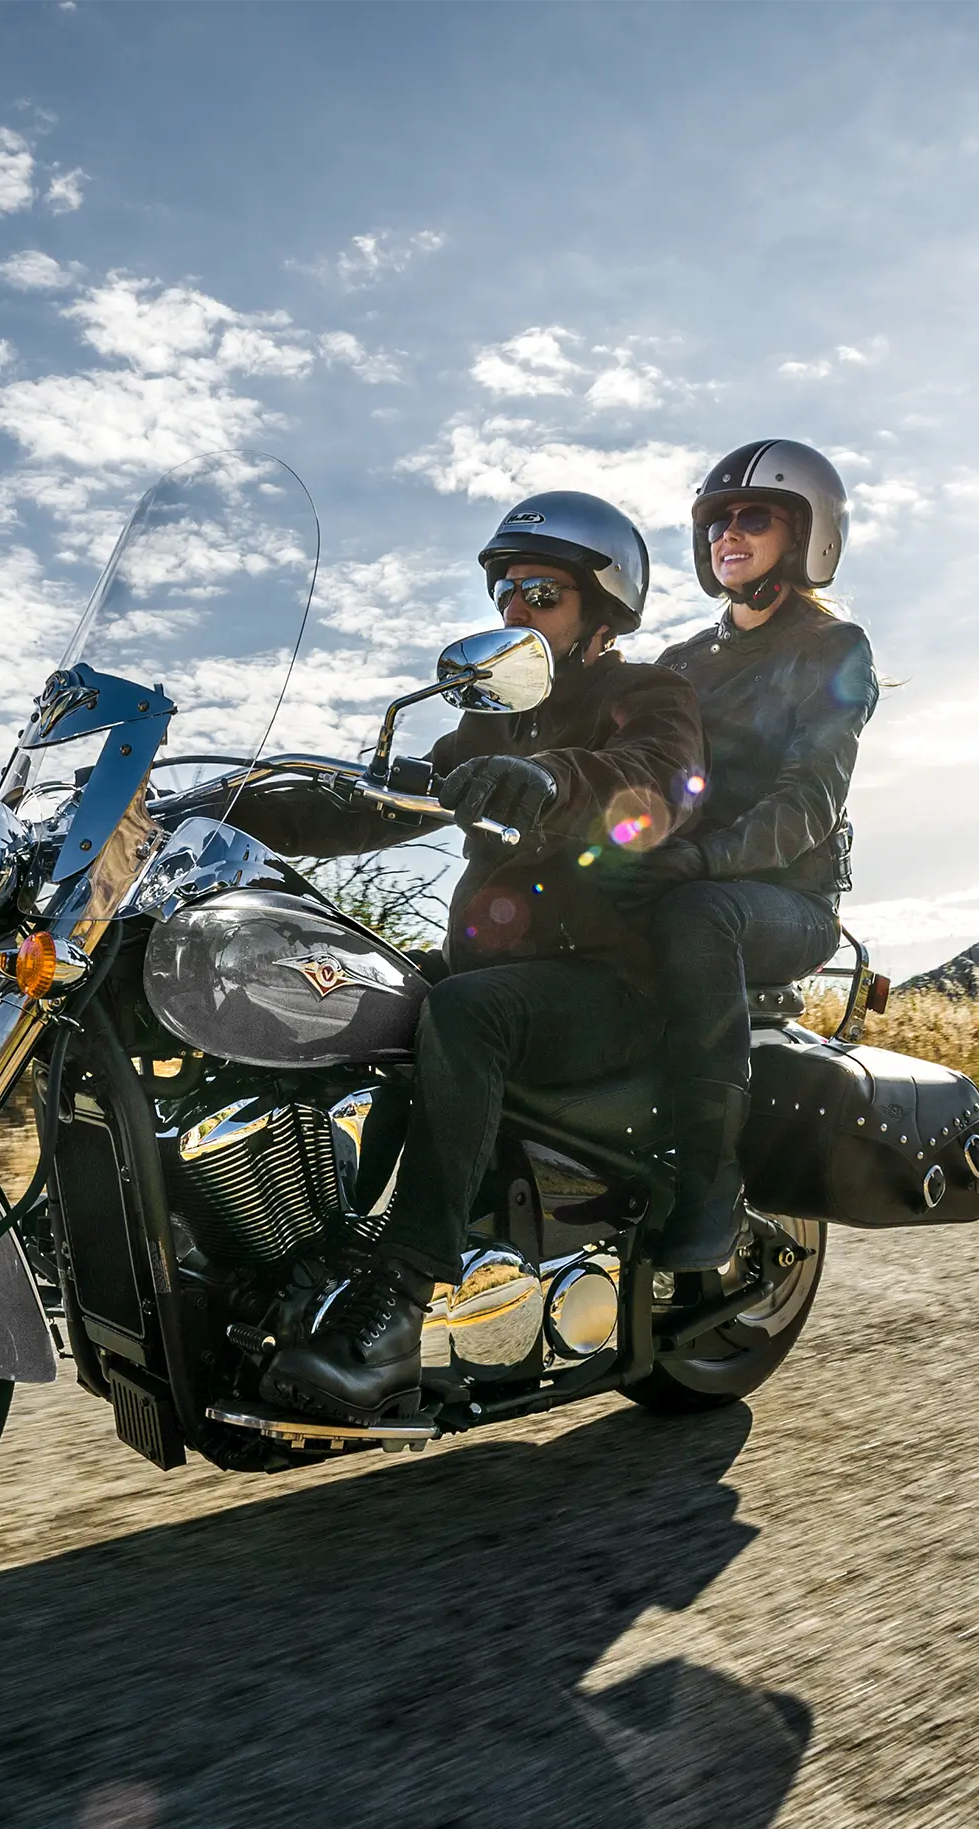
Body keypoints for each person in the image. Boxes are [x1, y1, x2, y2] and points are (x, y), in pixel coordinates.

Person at [226, 491, 704, 1423]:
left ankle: (399, 1307)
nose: (516, 610)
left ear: (599, 614)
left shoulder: (647, 694)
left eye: (542, 593)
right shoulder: (485, 722)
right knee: (346, 984)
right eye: (507, 594)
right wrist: (228, 804)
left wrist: (553, 782)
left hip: (613, 983)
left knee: (466, 1013)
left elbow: (655, 780)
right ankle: (319, 1245)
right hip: (500, 968)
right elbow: (371, 802)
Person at [631, 440, 879, 1269]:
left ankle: (708, 1177)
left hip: (782, 902)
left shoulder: (831, 649)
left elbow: (810, 797)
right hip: (682, 879)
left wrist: (707, 861)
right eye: (716, 522)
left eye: (753, 517)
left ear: (806, 534)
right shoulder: (679, 665)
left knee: (700, 916)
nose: (727, 534)